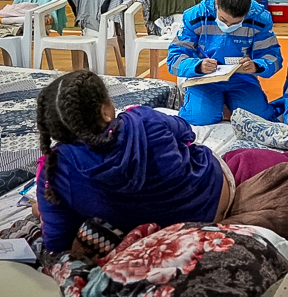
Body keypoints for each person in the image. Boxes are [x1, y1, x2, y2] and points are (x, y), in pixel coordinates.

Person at [35, 71, 231, 253]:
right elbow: (186, 132)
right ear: (105, 112)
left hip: (146, 236)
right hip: (213, 201)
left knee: (47, 206)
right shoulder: (143, 117)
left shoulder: (54, 168)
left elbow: (56, 244)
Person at [167, 0, 282, 125]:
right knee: (199, 118)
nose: (228, 26)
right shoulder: (194, 15)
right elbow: (174, 58)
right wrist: (197, 66)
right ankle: (216, 104)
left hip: (242, 78)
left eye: (236, 23)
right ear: (216, 4)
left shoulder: (260, 19)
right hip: (205, 78)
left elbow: (273, 57)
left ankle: (226, 104)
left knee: (258, 120)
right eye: (223, 20)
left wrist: (257, 66)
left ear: (246, 14)